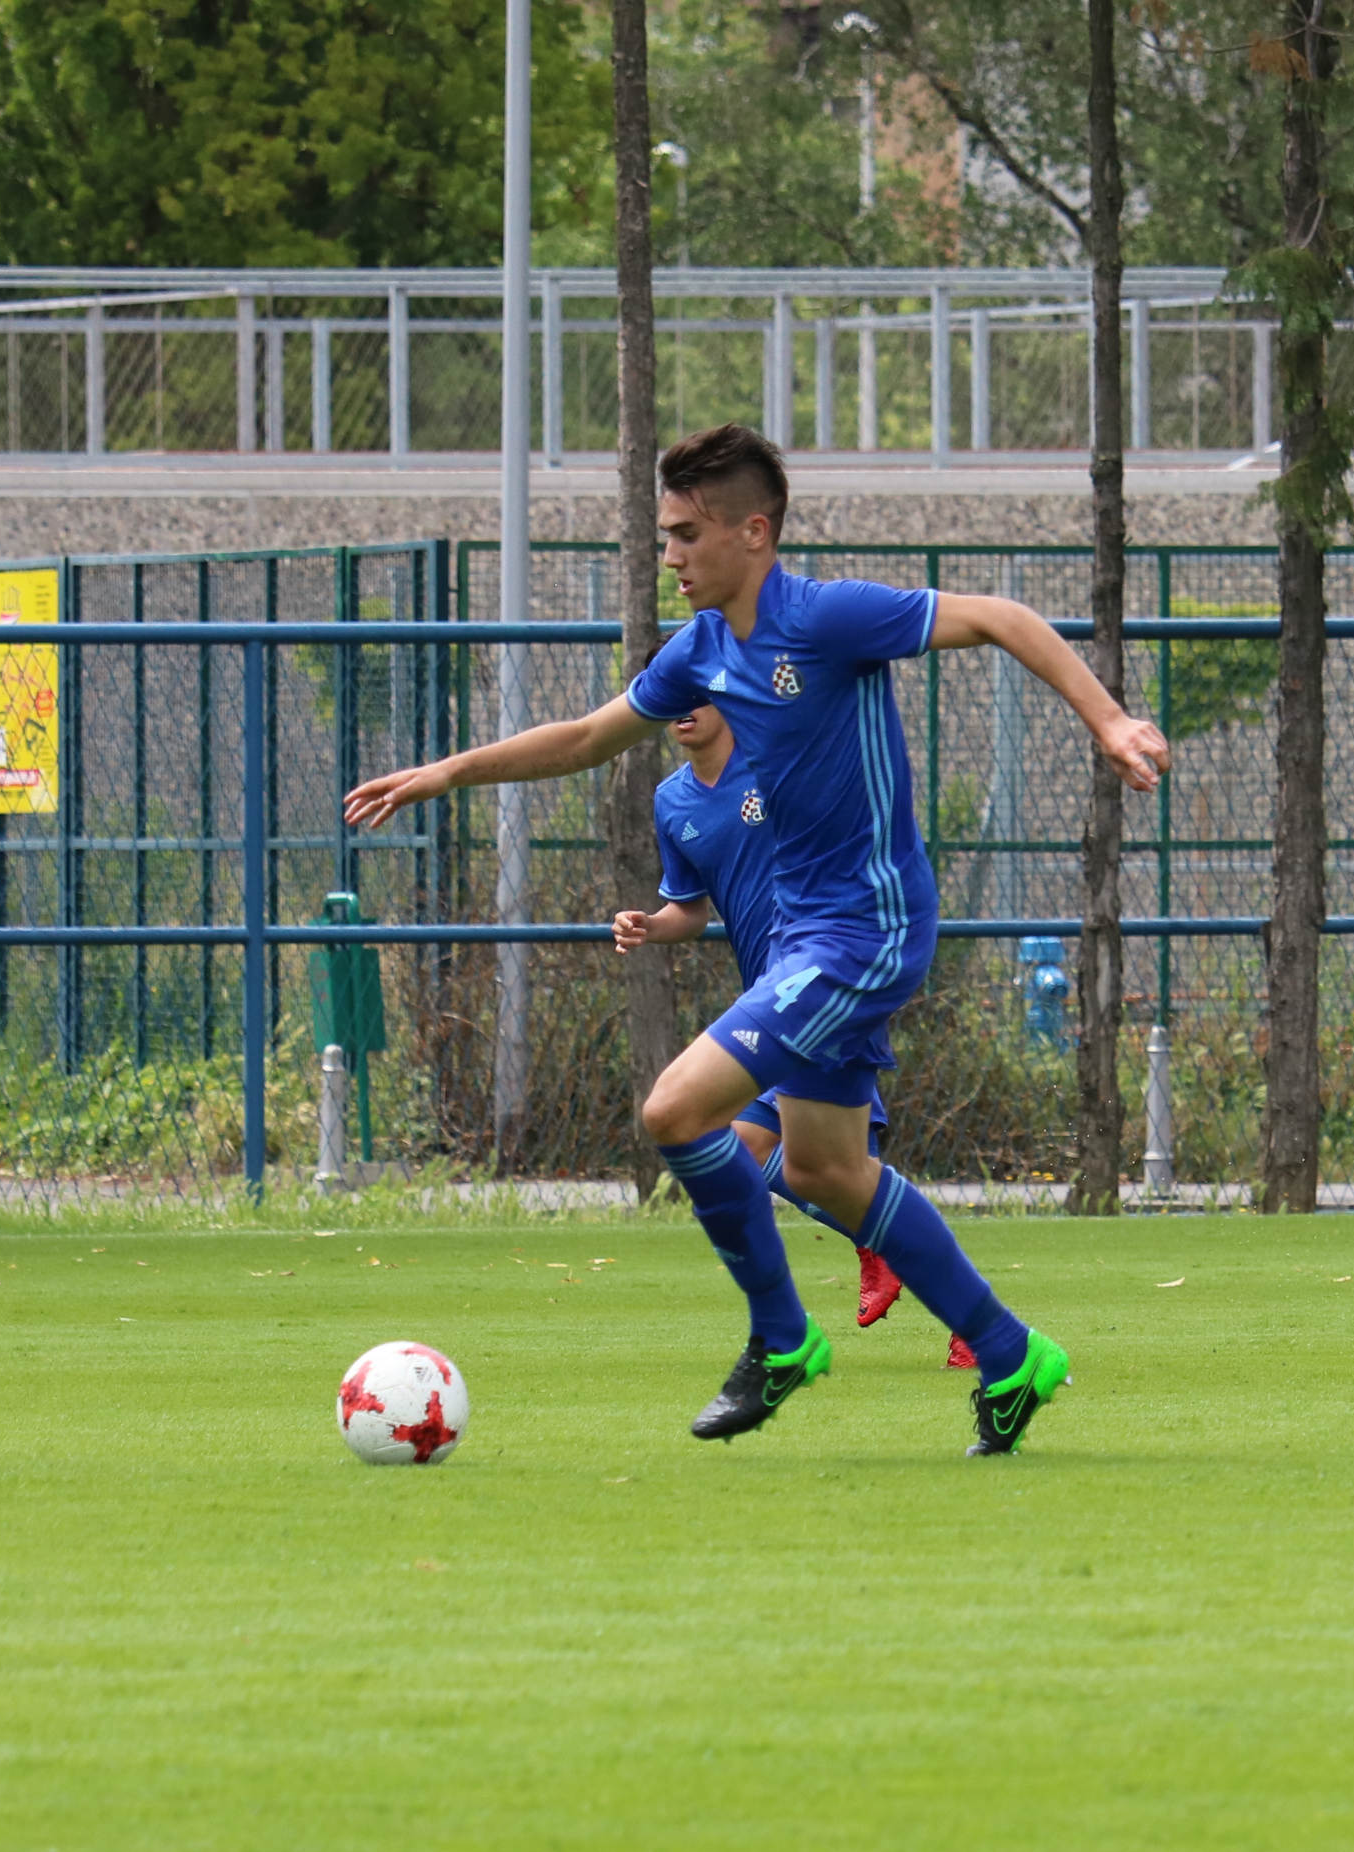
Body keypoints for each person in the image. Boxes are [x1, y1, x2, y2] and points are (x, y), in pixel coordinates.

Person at [348, 425, 1168, 1454]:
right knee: (824, 1171)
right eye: (665, 534)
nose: (671, 555)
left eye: (687, 534)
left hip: (866, 930)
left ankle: (782, 1338)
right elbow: (586, 737)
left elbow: (1002, 617)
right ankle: (1011, 1356)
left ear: (753, 532)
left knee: (674, 1109)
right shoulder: (701, 651)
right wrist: (447, 772)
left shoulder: (826, 618)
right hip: (803, 942)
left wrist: (1107, 721)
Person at [609, 705, 974, 1370]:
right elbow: (689, 908)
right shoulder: (672, 801)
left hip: (824, 978)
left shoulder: (777, 763)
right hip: (770, 997)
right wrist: (650, 925)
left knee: (764, 1153)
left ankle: (922, 1298)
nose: (684, 707)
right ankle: (950, 1303)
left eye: (697, 690)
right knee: (822, 1172)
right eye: (672, 695)